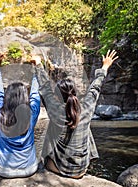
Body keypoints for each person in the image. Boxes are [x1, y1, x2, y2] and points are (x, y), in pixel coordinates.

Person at [31, 50, 118, 178]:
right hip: (81, 170)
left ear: (57, 96)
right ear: (75, 93)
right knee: (83, 124)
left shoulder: (55, 109)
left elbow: (45, 88)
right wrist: (105, 66)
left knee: (52, 128)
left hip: (59, 168)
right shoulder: (86, 107)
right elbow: (95, 88)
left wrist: (38, 64)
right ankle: (89, 162)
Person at [0, 52, 41, 178]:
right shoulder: (32, 112)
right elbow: (35, 92)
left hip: (3, 170)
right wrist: (38, 67)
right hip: (29, 169)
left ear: (7, 97)